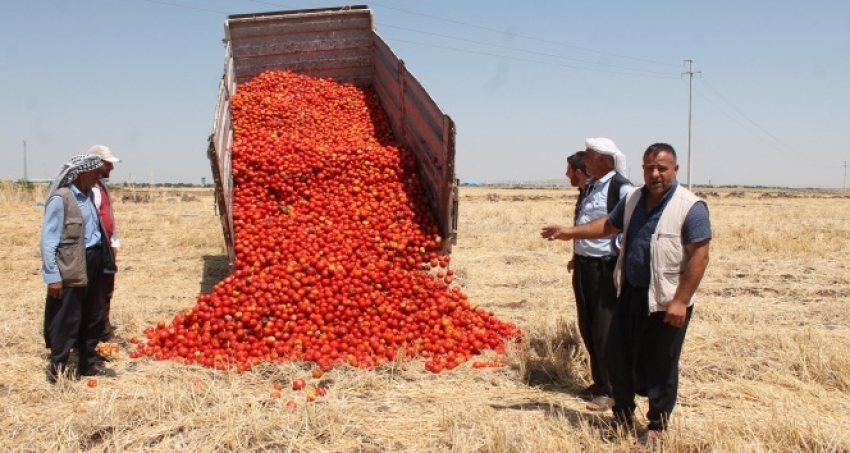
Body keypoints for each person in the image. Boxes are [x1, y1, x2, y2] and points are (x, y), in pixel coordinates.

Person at [541, 143, 711, 448]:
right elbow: (609, 224)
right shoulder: (634, 199)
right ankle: (622, 414)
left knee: (660, 362)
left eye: (662, 167)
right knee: (617, 356)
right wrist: (570, 232)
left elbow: (699, 257)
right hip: (631, 292)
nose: (655, 173)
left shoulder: (691, 206)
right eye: (649, 168)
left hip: (665, 301)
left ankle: (657, 425)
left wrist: (680, 301)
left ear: (675, 169)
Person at [41, 153, 117, 382]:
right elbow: (48, 240)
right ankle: (58, 368)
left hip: (94, 260)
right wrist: (53, 275)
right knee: (67, 316)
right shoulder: (61, 199)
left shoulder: (87, 196)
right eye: (96, 172)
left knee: (93, 315)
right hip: (72, 263)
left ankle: (88, 364)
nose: (99, 177)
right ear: (83, 172)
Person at [569, 138, 632, 412]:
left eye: (589, 155)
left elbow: (628, 225)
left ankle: (612, 390)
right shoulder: (592, 187)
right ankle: (599, 382)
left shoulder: (621, 188)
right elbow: (585, 223)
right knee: (588, 326)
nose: (584, 159)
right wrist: (576, 255)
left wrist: (620, 254)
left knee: (605, 330)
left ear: (603, 160)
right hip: (585, 265)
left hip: (605, 267)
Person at [87, 145, 122, 342]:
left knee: (106, 288)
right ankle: (93, 332)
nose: (112, 168)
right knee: (95, 289)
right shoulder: (88, 188)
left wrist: (114, 240)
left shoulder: (102, 186)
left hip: (106, 246)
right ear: (97, 163)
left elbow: (108, 216)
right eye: (108, 164)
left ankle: (102, 328)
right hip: (95, 247)